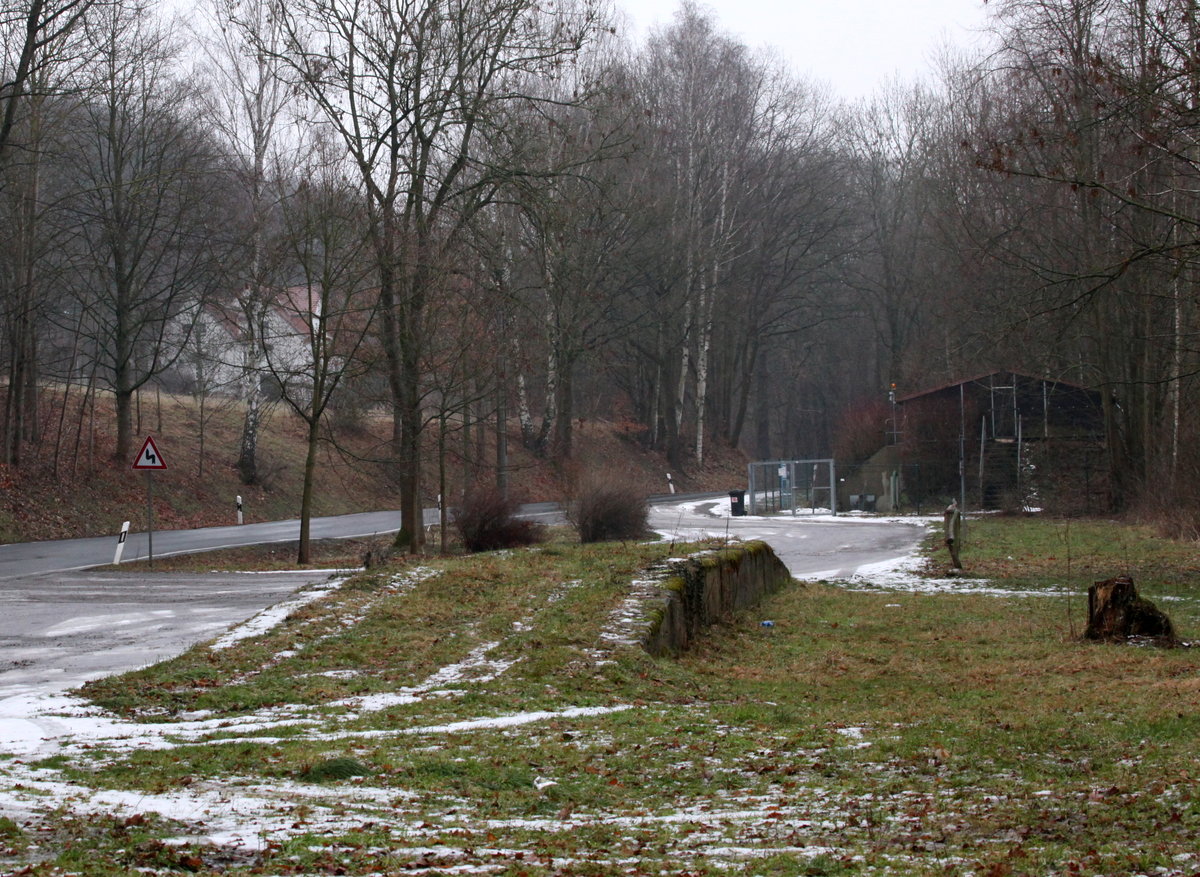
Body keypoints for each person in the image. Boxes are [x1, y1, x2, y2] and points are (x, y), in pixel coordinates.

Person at [943, 499, 963, 570]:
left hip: (952, 523)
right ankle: (957, 564)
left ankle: (957, 564)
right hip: (950, 531)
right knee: (952, 545)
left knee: (953, 545)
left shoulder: (955, 512)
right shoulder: (951, 512)